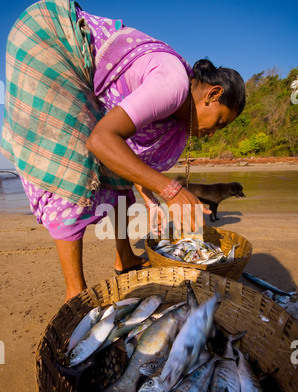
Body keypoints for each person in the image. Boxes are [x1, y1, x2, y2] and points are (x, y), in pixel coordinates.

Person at [1, 0, 246, 302]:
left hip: (74, 62)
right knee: (73, 170)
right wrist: (170, 190)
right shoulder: (172, 84)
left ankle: (125, 257)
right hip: (50, 39)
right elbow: (101, 141)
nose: (213, 132)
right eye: (220, 121)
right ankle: (74, 292)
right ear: (213, 94)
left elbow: (128, 160)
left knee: (117, 176)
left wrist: (152, 196)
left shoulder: (176, 109)